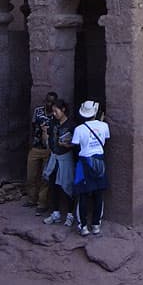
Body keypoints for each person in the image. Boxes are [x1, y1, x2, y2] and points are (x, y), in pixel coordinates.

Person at [71, 100, 110, 236]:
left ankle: (83, 226)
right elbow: (106, 139)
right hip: (99, 161)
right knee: (99, 194)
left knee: (82, 195)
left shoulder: (79, 129)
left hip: (84, 162)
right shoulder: (104, 126)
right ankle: (96, 225)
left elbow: (76, 144)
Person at [41, 99, 77, 227]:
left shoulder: (72, 125)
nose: (54, 114)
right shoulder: (53, 123)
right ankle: (55, 213)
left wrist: (68, 145)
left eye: (56, 111)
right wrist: (45, 132)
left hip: (66, 158)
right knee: (53, 185)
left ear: (63, 110)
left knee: (67, 186)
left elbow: (76, 144)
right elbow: (48, 140)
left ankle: (70, 215)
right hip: (54, 157)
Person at [24, 91, 57, 215]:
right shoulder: (38, 111)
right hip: (36, 147)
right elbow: (33, 126)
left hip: (49, 149)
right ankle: (32, 198)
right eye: (48, 101)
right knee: (31, 175)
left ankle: (42, 203)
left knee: (45, 177)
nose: (49, 104)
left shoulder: (56, 114)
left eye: (52, 102)